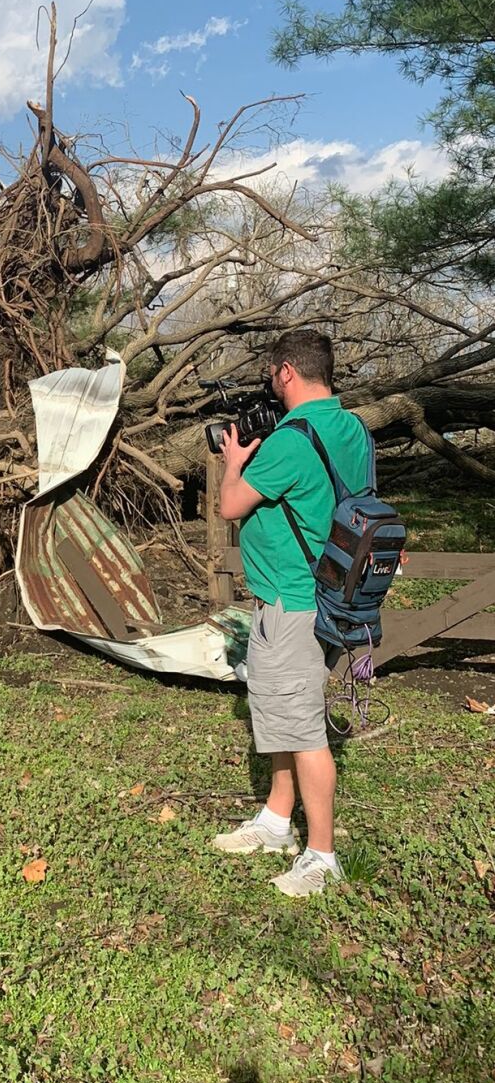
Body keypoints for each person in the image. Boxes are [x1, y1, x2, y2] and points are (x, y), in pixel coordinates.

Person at [211, 328, 372, 897]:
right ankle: (278, 819)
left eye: (273, 377)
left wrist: (234, 460)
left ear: (286, 372)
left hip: (293, 603)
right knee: (283, 710)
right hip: (334, 597)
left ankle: (322, 855)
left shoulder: (291, 439)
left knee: (304, 730)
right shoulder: (353, 427)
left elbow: (231, 504)